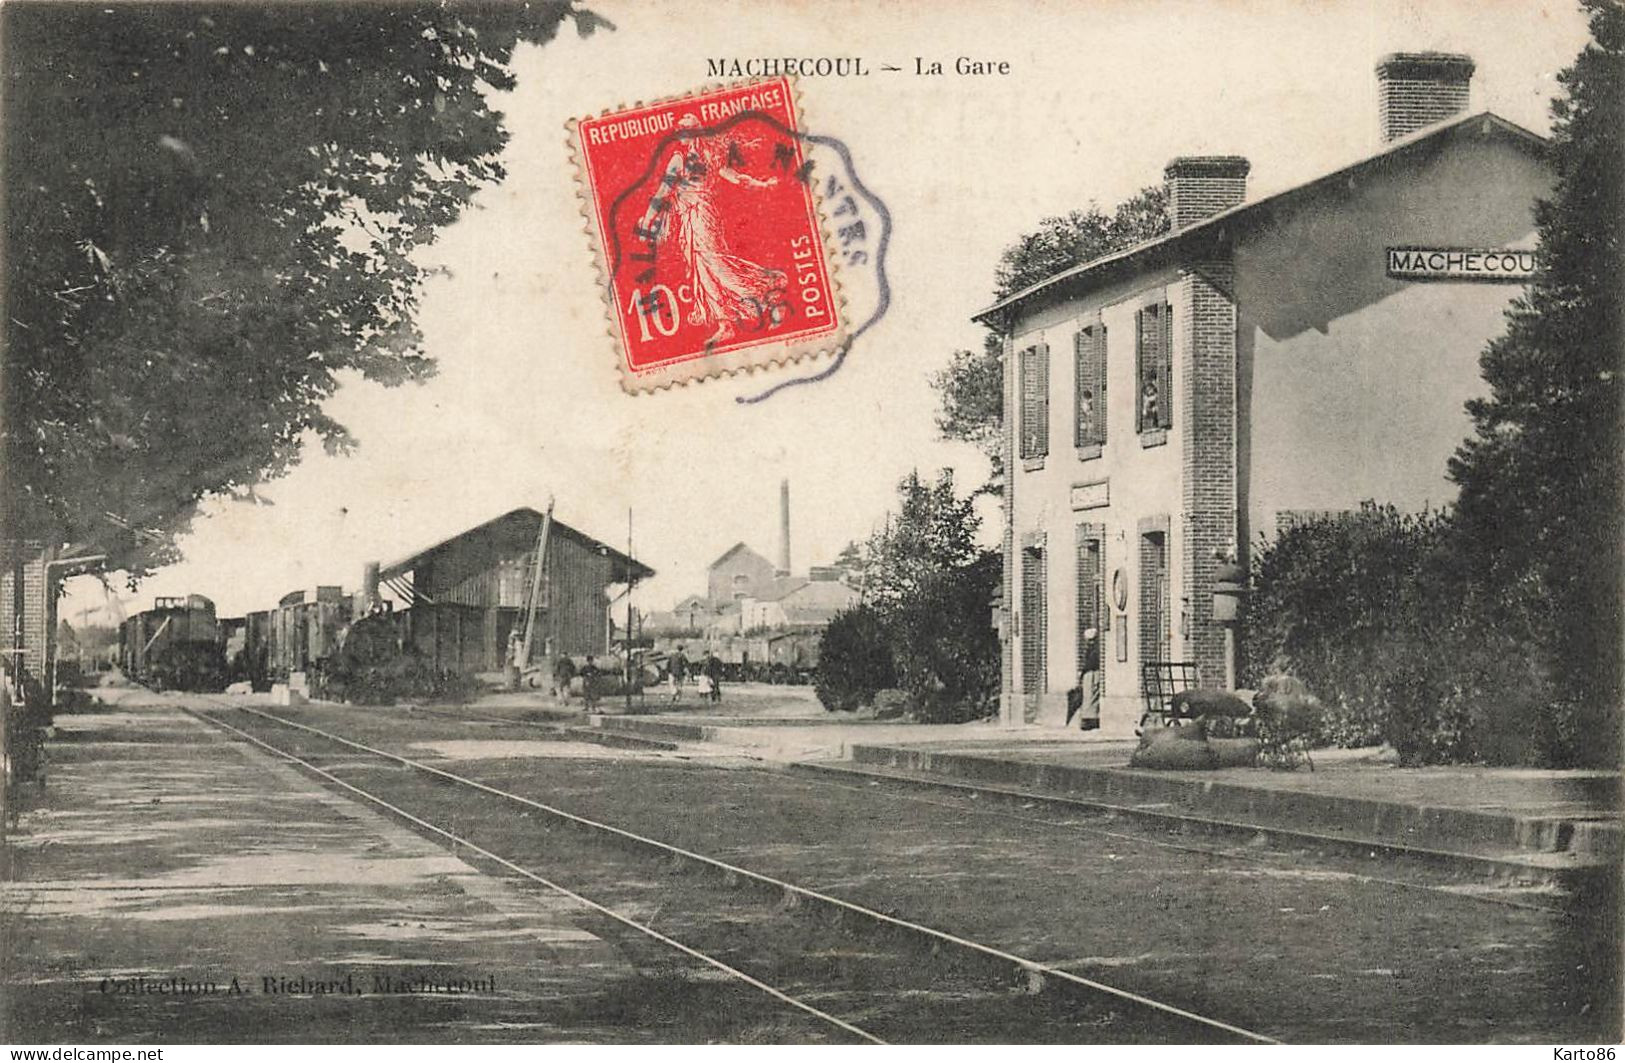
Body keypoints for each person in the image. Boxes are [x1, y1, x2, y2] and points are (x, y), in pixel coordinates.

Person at [637, 114, 786, 348]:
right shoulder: (684, 157)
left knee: (713, 264)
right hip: (689, 217)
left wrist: (760, 184)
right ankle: (726, 322)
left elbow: (732, 177)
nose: (683, 135)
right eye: (681, 131)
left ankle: (763, 294)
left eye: (687, 130)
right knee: (702, 268)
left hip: (702, 215)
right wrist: (648, 217)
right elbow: (664, 189)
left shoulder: (703, 155)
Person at [1066, 629, 1102, 730]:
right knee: (1089, 697)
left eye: (1090, 640)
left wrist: (1083, 672)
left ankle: (1091, 720)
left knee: (1091, 696)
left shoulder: (1095, 650)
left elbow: (1090, 662)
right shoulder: (1091, 649)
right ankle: (1088, 719)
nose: (1089, 642)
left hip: (1092, 674)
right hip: (1089, 674)